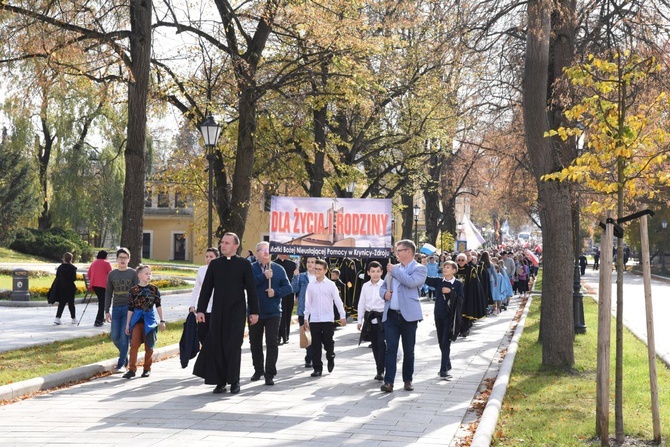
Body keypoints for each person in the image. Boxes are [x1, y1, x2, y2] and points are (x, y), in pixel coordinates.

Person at [193, 233, 259, 395]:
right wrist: (200, 310)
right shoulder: (215, 265)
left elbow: (251, 290)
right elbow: (206, 289)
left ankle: (234, 381)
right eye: (222, 242)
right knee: (218, 345)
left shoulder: (244, 265)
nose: (223, 245)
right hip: (217, 312)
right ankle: (220, 381)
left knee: (234, 346)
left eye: (227, 243)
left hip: (237, 311)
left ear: (236, 246)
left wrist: (254, 312)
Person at [379, 240, 427, 393]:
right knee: (391, 348)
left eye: (399, 250)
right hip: (391, 315)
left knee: (408, 350)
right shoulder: (393, 268)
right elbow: (383, 287)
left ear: (408, 251)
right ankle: (388, 382)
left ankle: (407, 380)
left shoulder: (420, 268)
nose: (396, 253)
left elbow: (411, 283)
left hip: (409, 316)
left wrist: (394, 271)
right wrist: (384, 294)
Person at [249, 241, 292, 386]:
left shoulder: (278, 269)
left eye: (268, 250)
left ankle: (270, 373)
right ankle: (258, 369)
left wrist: (276, 292)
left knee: (272, 342)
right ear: (257, 253)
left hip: (273, 311)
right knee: (255, 342)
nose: (266, 253)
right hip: (255, 312)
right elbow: (247, 285)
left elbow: (288, 288)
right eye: (262, 250)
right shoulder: (251, 268)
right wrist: (264, 277)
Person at [304, 259, 347, 377]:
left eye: (319, 269)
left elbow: (338, 301)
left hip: (328, 318)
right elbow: (308, 303)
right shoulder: (311, 285)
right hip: (315, 319)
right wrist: (306, 317)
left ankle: (330, 355)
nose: (317, 271)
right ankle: (317, 368)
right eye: (315, 269)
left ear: (325, 270)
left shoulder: (331, 285)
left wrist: (342, 315)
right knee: (315, 344)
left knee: (328, 341)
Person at [123, 265, 165, 379]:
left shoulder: (154, 289)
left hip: (150, 320)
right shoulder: (133, 290)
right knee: (134, 345)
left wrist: (162, 320)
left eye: (150, 273)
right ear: (139, 275)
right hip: (137, 320)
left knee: (149, 346)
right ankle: (131, 369)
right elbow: (130, 308)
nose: (149, 275)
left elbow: (158, 305)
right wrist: (127, 324)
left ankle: (147, 368)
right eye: (146, 273)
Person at [105, 248, 139, 373]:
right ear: (117, 259)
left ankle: (121, 365)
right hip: (116, 308)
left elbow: (137, 291)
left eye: (125, 258)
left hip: (129, 309)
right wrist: (106, 310)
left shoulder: (132, 273)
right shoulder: (112, 274)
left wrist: (136, 309)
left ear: (129, 259)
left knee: (125, 337)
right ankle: (125, 358)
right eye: (121, 258)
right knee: (114, 336)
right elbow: (108, 293)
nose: (123, 260)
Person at [357, 261, 386, 381]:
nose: (375, 274)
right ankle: (378, 369)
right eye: (373, 271)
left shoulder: (385, 285)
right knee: (374, 345)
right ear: (368, 273)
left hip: (382, 319)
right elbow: (362, 303)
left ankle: (382, 369)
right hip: (369, 319)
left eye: (378, 271)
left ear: (382, 272)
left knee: (381, 344)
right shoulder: (365, 286)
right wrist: (359, 320)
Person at [434, 260, 463, 379]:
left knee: (446, 341)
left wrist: (451, 292)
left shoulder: (458, 284)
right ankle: (447, 364)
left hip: (450, 317)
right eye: (444, 267)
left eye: (448, 267)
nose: (445, 269)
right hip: (438, 315)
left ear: (454, 271)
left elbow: (461, 299)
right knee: (441, 342)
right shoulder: (438, 281)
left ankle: (443, 370)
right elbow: (423, 278)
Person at [189, 247, 219, 344]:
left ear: (217, 258)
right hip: (204, 308)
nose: (208, 259)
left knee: (214, 336)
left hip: (216, 308)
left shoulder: (221, 270)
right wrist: (192, 305)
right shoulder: (201, 270)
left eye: (211, 256)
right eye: (206, 256)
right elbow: (196, 288)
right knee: (202, 335)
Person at [292, 256, 317, 368]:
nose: (310, 264)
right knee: (306, 334)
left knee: (315, 335)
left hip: (317, 311)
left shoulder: (320, 277)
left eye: (313, 262)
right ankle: (309, 357)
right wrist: (295, 276)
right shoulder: (302, 277)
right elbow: (294, 289)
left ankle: (313, 356)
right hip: (304, 310)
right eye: (308, 262)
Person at [274, 254, 297, 345]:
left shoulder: (292, 264)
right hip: (278, 292)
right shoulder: (273, 264)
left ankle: (286, 335)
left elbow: (295, 279)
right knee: (280, 315)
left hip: (289, 293)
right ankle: (278, 336)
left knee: (288, 313)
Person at [87, 250, 112, 327]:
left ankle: (101, 318)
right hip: (103, 285)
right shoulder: (106, 263)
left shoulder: (94, 263)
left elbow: (89, 274)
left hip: (95, 284)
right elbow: (111, 274)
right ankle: (98, 319)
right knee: (103, 302)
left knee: (102, 301)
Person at [53, 252, 78, 325]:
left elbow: (57, 277)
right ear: (71, 259)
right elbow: (74, 278)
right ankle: (73, 318)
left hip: (61, 287)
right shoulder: (73, 268)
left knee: (62, 303)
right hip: (70, 287)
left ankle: (57, 318)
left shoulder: (60, 267)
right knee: (71, 303)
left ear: (64, 258)